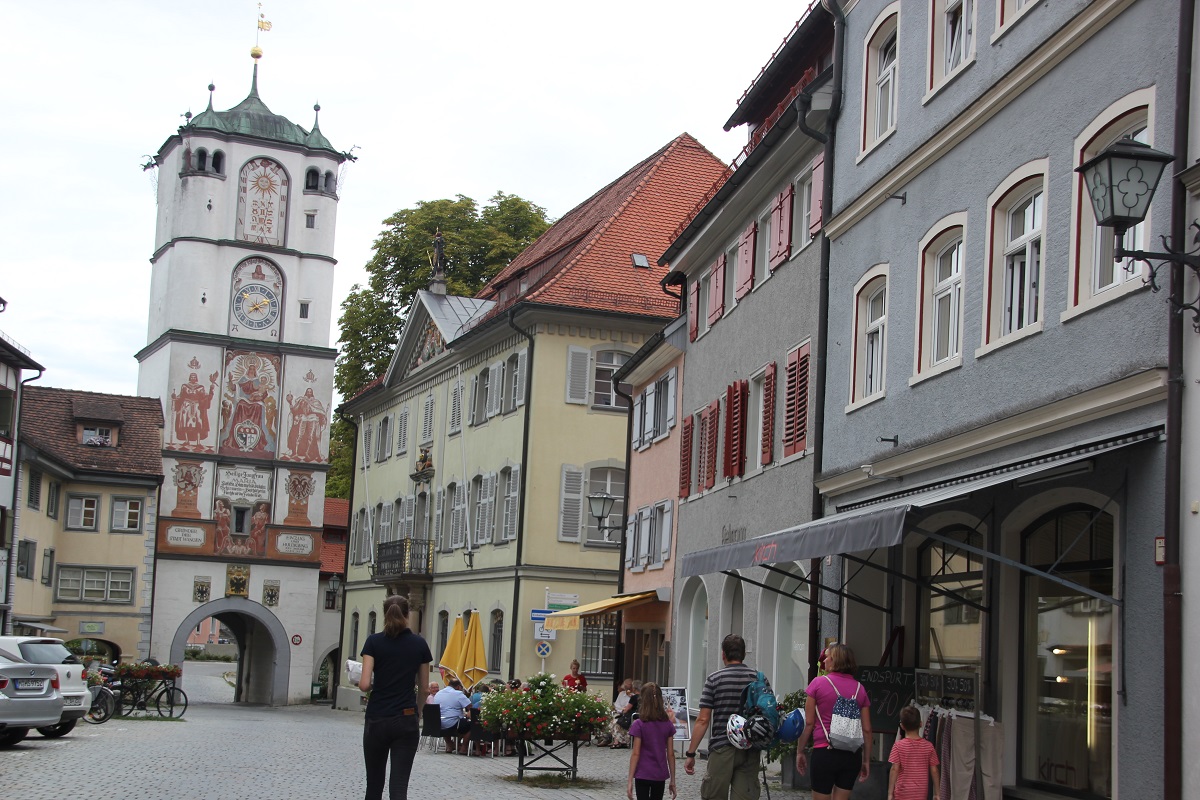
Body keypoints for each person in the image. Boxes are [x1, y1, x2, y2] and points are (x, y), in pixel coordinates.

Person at [358, 594, 432, 800]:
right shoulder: (420, 644)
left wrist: (370, 683)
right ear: (407, 614)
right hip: (406, 717)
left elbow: (364, 685)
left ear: (384, 615)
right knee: (399, 789)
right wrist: (416, 714)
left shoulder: (373, 642)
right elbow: (425, 689)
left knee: (374, 786)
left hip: (377, 718)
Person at [683, 633, 763, 800]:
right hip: (750, 749)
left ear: (723, 655)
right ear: (743, 654)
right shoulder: (758, 679)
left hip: (722, 747)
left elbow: (703, 720)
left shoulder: (714, 680)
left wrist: (691, 753)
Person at [794, 643, 873, 800]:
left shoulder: (817, 684)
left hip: (825, 752)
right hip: (852, 755)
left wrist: (800, 751)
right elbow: (867, 730)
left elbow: (809, 723)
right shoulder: (860, 689)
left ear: (836, 660)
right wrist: (866, 760)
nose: (824, 661)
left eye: (828, 657)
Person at [627, 682, 678, 800]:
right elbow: (670, 754)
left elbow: (636, 753)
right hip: (659, 774)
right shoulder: (668, 724)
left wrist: (630, 780)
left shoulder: (639, 724)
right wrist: (673, 780)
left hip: (642, 773)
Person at [888, 706, 939, 800]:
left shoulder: (898, 746)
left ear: (902, 726)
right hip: (921, 793)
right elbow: (934, 770)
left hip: (902, 793)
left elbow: (894, 769)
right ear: (921, 724)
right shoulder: (928, 746)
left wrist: (890, 793)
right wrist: (937, 793)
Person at [436, 678, 473, 754]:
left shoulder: (438, 693)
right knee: (471, 725)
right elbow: (470, 706)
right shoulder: (458, 694)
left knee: (447, 720)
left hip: (439, 723)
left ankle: (450, 745)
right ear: (458, 687)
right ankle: (464, 747)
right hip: (454, 723)